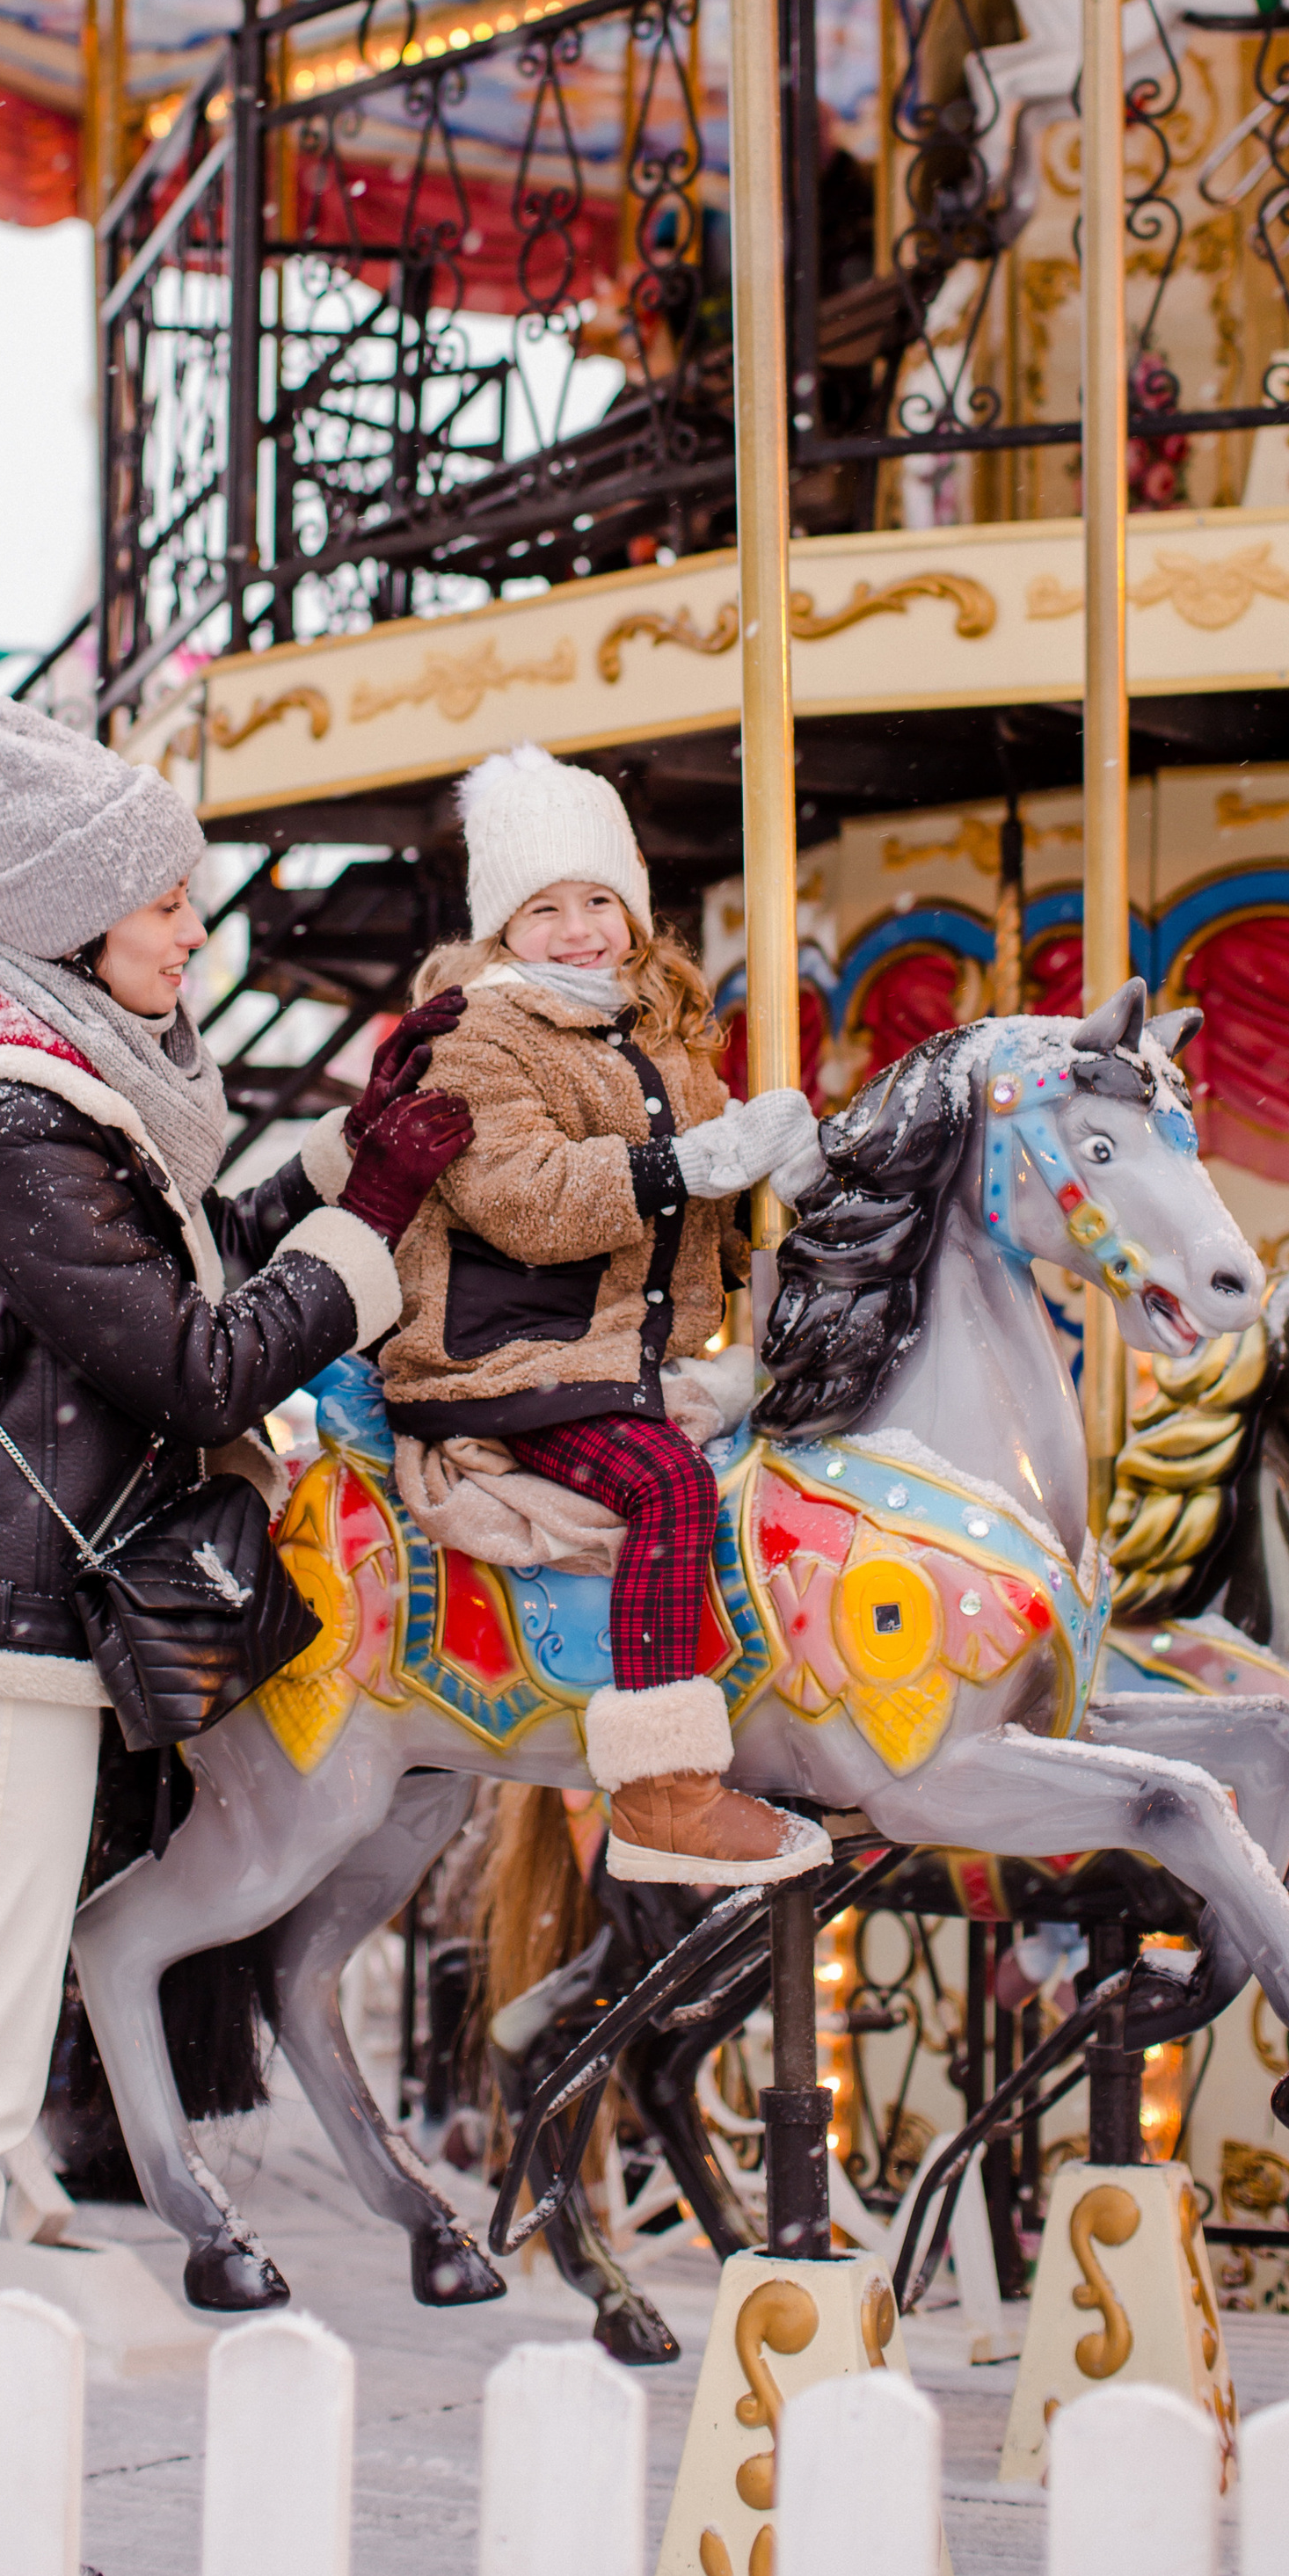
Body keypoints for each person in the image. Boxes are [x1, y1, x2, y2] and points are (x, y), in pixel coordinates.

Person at [0, 696, 469, 2562]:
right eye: (167, 904)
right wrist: (373, 1230)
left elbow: (164, 1251)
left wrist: (342, 1167)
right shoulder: (10, 1116)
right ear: (71, 915)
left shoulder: (68, 1095)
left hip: (20, 1598)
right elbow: (191, 1365)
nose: (196, 932)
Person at [380, 741, 831, 1886]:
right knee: (666, 1488)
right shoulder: (469, 1037)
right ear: (500, 928)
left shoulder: (658, 1035)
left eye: (599, 900)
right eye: (545, 907)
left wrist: (791, 1207)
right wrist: (702, 1160)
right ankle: (661, 1792)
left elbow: (709, 1213)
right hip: (506, 1358)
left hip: (614, 1359)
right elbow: (527, 1199)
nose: (580, 928)